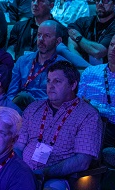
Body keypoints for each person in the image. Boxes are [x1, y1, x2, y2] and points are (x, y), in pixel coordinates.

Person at [15, 61, 102, 189]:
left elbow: (82, 161)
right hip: (24, 171)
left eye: (57, 81)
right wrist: (18, 169)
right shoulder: (34, 108)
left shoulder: (88, 115)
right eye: (49, 81)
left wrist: (45, 173)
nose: (50, 86)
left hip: (58, 177)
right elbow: (18, 146)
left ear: (73, 85)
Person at [9, 20, 66, 109]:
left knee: (24, 97)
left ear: (58, 41)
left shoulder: (64, 66)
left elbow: (60, 99)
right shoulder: (22, 61)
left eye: (46, 36)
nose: (41, 39)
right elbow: (11, 93)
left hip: (46, 110)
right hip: (19, 108)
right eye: (39, 35)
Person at [68, 0, 115, 65]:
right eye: (97, 0)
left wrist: (78, 38)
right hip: (84, 67)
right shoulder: (86, 21)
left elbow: (98, 52)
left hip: (108, 72)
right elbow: (70, 30)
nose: (100, 3)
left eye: (105, 0)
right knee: (69, 41)